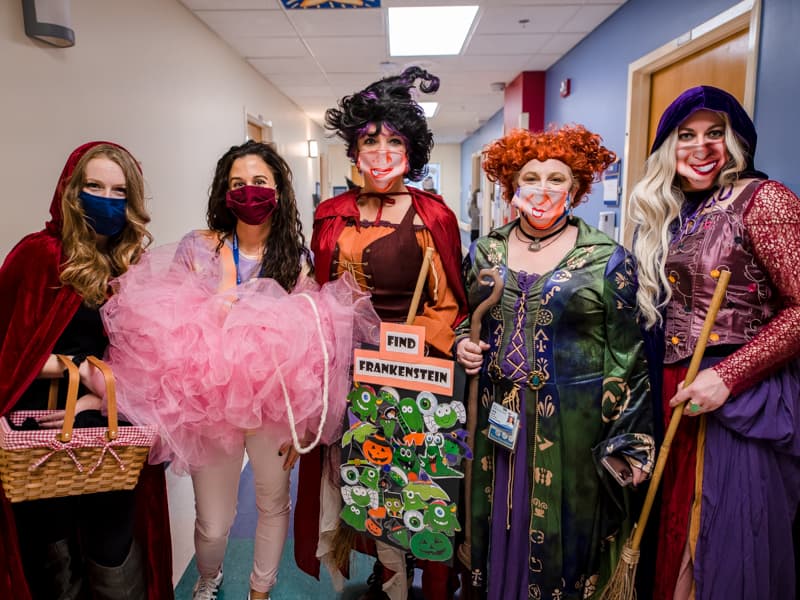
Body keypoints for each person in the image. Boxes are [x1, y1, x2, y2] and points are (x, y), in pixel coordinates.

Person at [100, 139, 375, 600]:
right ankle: (209, 576)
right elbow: (167, 326)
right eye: (238, 184)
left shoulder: (297, 260)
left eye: (260, 183)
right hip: (210, 403)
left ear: (279, 191)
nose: (250, 192)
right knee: (213, 521)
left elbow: (312, 344)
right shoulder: (199, 248)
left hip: (273, 405)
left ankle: (260, 590)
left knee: (272, 502)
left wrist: (301, 420)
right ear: (224, 194)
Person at [456, 126, 654, 599]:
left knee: (563, 527)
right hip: (497, 418)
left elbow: (628, 358)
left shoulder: (607, 259)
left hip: (573, 428)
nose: (542, 189)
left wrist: (625, 440)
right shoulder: (487, 251)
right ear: (512, 188)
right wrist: (464, 343)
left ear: (577, 190)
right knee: (499, 515)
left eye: (557, 179)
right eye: (531, 177)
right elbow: (469, 320)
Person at [295, 66, 468, 600]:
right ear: (354, 149)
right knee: (362, 476)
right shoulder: (331, 215)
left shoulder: (432, 216)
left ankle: (414, 574)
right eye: (370, 140)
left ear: (411, 151)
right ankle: (384, 569)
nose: (382, 151)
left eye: (394, 140)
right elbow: (319, 295)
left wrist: (414, 345)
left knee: (416, 474)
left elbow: (449, 302)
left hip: (416, 372)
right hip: (351, 375)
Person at [629, 85, 800, 600]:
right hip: (677, 393)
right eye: (686, 136)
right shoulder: (674, 212)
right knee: (676, 532)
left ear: (736, 141)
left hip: (741, 399)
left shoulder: (764, 200)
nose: (701, 148)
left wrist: (728, 376)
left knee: (723, 546)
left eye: (715, 134)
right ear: (666, 147)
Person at [0, 141, 173, 599]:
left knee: (112, 544)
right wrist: (76, 368)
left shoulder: (131, 263)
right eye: (94, 186)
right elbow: (11, 352)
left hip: (107, 419)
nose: (106, 199)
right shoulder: (38, 254)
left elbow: (143, 358)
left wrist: (101, 394)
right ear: (71, 191)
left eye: (119, 191)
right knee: (52, 551)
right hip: (40, 424)